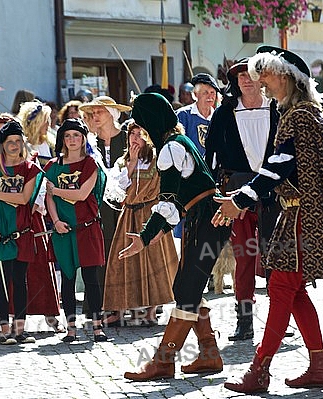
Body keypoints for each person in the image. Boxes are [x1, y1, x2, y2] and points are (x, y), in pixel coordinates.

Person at [214, 45, 323, 393]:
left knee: (280, 289)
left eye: (268, 74)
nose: (261, 82)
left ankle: (259, 370)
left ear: (289, 77)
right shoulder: (301, 113)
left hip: (303, 215)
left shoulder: (301, 115)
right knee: (294, 292)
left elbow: (278, 167)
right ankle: (319, 366)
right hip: (299, 212)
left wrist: (240, 199)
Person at [120, 92, 230, 381]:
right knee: (186, 286)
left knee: (186, 290)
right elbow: (182, 198)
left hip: (207, 219)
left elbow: (168, 200)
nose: (141, 131)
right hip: (205, 218)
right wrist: (163, 229)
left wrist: (145, 236)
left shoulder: (170, 148)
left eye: (142, 124)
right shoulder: (180, 142)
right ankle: (209, 354)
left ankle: (163, 361)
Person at [204, 57, 280, 341]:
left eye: (251, 75)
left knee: (276, 253)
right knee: (244, 256)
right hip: (237, 190)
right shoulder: (224, 113)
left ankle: (279, 318)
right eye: (240, 77)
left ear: (262, 79)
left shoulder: (276, 109)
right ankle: (244, 321)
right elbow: (210, 154)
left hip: (273, 191)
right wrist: (215, 191)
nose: (246, 81)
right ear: (234, 82)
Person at [102, 121, 177, 326]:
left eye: (140, 133)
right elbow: (115, 192)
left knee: (154, 262)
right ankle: (121, 308)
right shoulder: (122, 162)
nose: (135, 137)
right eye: (132, 133)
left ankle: (151, 310)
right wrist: (131, 165)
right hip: (129, 215)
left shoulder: (158, 160)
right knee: (123, 262)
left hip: (152, 214)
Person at [44, 118, 108, 343]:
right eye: (68, 135)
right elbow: (48, 197)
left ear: (83, 139)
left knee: (91, 279)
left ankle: (97, 328)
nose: (72, 140)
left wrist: (57, 189)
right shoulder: (52, 166)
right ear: (62, 138)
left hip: (87, 228)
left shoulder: (90, 163)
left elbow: (82, 194)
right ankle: (71, 328)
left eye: (77, 135)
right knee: (68, 280)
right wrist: (55, 221)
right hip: (63, 230)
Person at [0, 120, 42, 344]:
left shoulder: (31, 169)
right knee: (2, 282)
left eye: (18, 141)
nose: (14, 145)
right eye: (9, 142)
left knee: (20, 280)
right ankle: (5, 330)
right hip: (2, 235)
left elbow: (24, 198)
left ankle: (20, 329)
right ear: (1, 145)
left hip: (23, 232)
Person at [78, 96, 131, 315]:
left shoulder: (128, 138)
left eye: (99, 111)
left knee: (122, 250)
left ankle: (124, 303)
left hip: (125, 204)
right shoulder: (89, 143)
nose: (95, 116)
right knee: (98, 253)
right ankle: (98, 305)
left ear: (111, 113)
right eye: (92, 113)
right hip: (96, 204)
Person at [175, 73, 220, 157]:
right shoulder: (183, 115)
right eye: (205, 93)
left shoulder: (219, 117)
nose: (210, 96)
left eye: (212, 92)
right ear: (195, 94)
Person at [18, 101, 55, 166]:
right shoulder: (22, 146)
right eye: (45, 121)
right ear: (35, 124)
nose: (48, 124)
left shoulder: (52, 145)